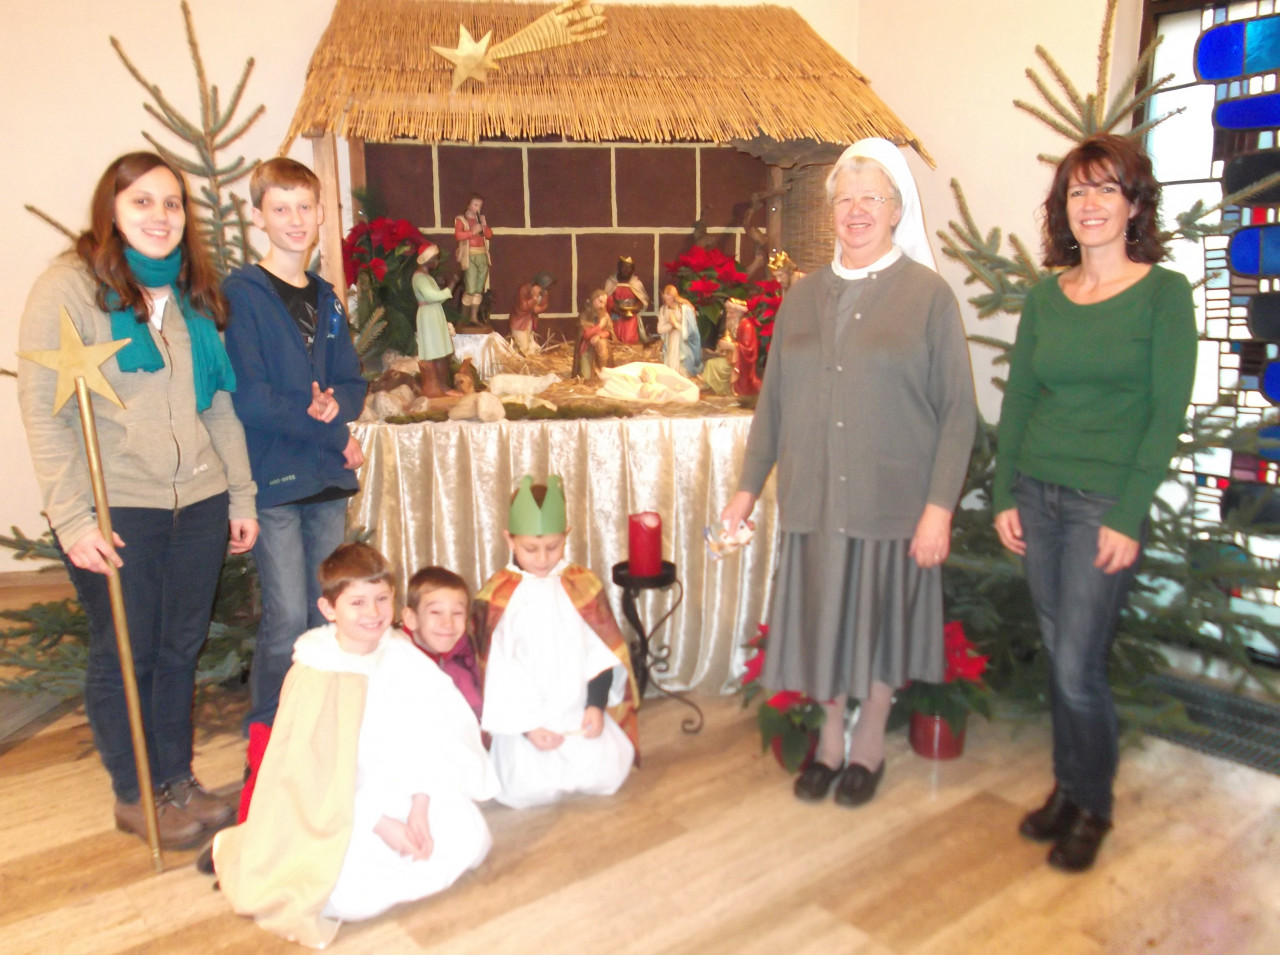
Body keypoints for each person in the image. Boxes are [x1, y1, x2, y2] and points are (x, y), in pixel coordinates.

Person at [720, 138, 976, 810]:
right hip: (814, 501)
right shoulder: (802, 296)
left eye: (872, 199)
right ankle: (831, 739)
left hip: (896, 501)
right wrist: (745, 490)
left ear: (896, 211)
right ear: (832, 211)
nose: (856, 211)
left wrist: (938, 508)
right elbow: (773, 402)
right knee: (825, 623)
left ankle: (869, 743)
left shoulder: (928, 297)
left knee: (884, 625)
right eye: (846, 200)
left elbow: (957, 413)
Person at [17, 152, 259, 848]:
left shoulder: (188, 293)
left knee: (179, 647)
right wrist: (70, 517)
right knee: (127, 652)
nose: (161, 216)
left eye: (173, 203)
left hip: (201, 503)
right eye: (143, 202)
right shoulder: (69, 290)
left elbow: (217, 406)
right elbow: (44, 411)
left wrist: (238, 493)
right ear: (111, 212)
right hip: (119, 507)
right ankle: (136, 794)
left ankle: (177, 781)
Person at [992, 134, 1196, 873]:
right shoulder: (1048, 296)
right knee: (1060, 655)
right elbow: (1020, 397)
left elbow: (1166, 411)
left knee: (1079, 663)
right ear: (1063, 208)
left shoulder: (1164, 294)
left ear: (1135, 202)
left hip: (1102, 502)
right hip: (1037, 496)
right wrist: (1003, 489)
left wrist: (1127, 512)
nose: (1091, 204)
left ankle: (1094, 804)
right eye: (1078, 192)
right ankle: (1069, 786)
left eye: (1107, 189)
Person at [211, 544, 498, 948]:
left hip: (405, 786)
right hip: (342, 806)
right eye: (357, 602)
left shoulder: (402, 654)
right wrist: (382, 824)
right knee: (349, 894)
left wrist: (420, 803)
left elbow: (430, 735)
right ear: (329, 609)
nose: (373, 613)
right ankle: (235, 846)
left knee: (468, 839)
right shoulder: (317, 670)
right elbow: (315, 772)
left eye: (382, 599)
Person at [223, 158, 367, 752]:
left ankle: (319, 721)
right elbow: (252, 399)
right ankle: (270, 729)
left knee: (323, 606)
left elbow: (352, 381)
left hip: (325, 481)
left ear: (320, 215)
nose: (294, 219)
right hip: (277, 478)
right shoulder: (243, 294)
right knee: (285, 613)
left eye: (305, 208)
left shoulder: (327, 297)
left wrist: (339, 405)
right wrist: (333, 433)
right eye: (280, 208)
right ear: (259, 217)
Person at [473, 475, 640, 809]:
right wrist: (529, 727)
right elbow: (500, 671)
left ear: (566, 536)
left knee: (607, 775)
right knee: (522, 790)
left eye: (553, 546)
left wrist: (595, 704)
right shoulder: (500, 596)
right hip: (527, 718)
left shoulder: (580, 583)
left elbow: (601, 651)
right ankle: (529, 745)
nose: (542, 558)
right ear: (510, 540)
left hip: (575, 712)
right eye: (530, 548)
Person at [403, 565, 483, 724]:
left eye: (457, 613)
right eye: (436, 612)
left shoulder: (464, 659)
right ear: (411, 618)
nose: (448, 623)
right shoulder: (400, 665)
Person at [412, 241, 456, 393]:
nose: (437, 262)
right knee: (435, 352)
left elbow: (439, 298)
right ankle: (437, 388)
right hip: (428, 316)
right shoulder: (419, 278)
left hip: (434, 313)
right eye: (435, 259)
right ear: (427, 259)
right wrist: (451, 286)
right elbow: (431, 296)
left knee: (442, 352)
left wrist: (445, 288)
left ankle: (443, 386)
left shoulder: (426, 277)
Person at [454, 193, 492, 326]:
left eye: (480, 206)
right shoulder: (461, 220)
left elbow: (489, 235)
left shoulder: (480, 219)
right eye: (475, 204)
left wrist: (484, 226)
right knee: (470, 287)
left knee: (478, 288)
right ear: (468, 204)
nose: (478, 208)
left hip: (482, 255)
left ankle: (474, 318)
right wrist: (472, 232)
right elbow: (458, 235)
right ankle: (463, 319)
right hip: (469, 255)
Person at [701, 297, 747, 396]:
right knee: (710, 363)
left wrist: (732, 347)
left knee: (713, 365)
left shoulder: (746, 326)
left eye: (732, 313)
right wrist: (721, 349)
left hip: (739, 363)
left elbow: (748, 349)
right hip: (730, 358)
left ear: (738, 314)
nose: (729, 316)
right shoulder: (731, 325)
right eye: (728, 313)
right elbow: (727, 338)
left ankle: (725, 389)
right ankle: (712, 388)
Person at [657, 284, 703, 377]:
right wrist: (671, 325)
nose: (667, 301)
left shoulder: (685, 309)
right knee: (671, 362)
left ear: (674, 297)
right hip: (671, 339)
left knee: (683, 365)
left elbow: (691, 331)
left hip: (683, 340)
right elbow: (660, 329)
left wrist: (676, 324)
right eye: (665, 299)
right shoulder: (663, 309)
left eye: (669, 298)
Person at [604, 255, 650, 343]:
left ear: (632, 270)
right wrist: (618, 310)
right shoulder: (611, 282)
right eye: (623, 267)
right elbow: (607, 299)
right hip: (615, 314)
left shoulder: (636, 283)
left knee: (629, 337)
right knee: (615, 336)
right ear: (619, 267)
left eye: (629, 268)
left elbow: (642, 300)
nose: (626, 270)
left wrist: (633, 309)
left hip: (630, 315)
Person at [509, 271, 554, 355]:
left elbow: (544, 304)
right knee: (523, 345)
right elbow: (523, 307)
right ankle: (521, 355)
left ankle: (530, 354)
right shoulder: (524, 289)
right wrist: (534, 298)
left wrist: (539, 308)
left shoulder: (542, 292)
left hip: (530, 320)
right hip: (519, 322)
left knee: (530, 340)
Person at [575, 289, 614, 382]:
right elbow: (586, 334)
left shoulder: (605, 316)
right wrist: (600, 326)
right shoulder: (584, 315)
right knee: (586, 378)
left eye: (604, 302)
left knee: (602, 344)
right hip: (586, 347)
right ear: (593, 300)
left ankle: (602, 371)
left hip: (600, 345)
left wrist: (599, 335)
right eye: (600, 302)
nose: (602, 305)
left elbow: (609, 332)